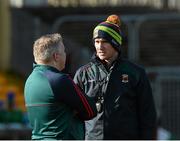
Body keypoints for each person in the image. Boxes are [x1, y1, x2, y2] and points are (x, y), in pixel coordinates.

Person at [74, 15, 157, 140]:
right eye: (97, 42)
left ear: (115, 43)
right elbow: (74, 114)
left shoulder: (135, 73)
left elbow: (147, 115)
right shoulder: (83, 73)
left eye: (104, 42)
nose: (99, 47)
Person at [24, 33, 97, 140]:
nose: (65, 54)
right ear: (56, 56)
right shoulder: (59, 80)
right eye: (64, 51)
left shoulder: (30, 80)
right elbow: (90, 111)